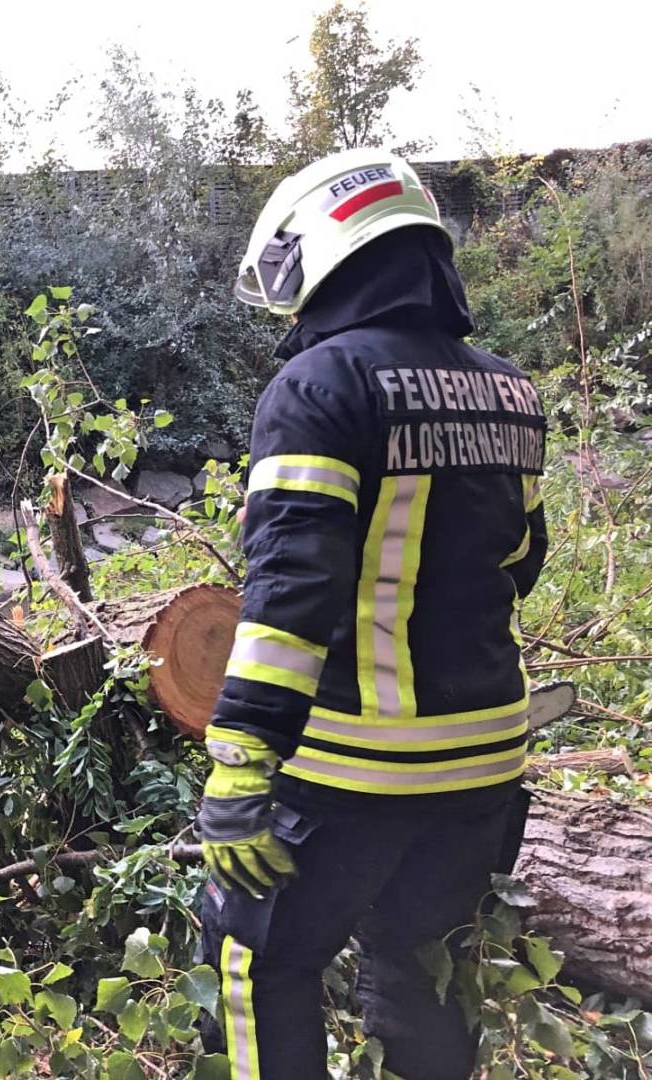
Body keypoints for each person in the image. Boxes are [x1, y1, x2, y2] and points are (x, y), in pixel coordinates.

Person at [195, 151, 548, 1080]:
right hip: (486, 763)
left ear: (321, 249)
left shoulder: (320, 388)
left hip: (357, 763)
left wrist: (240, 763)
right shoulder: (511, 391)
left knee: (253, 959)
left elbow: (290, 597)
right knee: (417, 969)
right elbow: (522, 563)